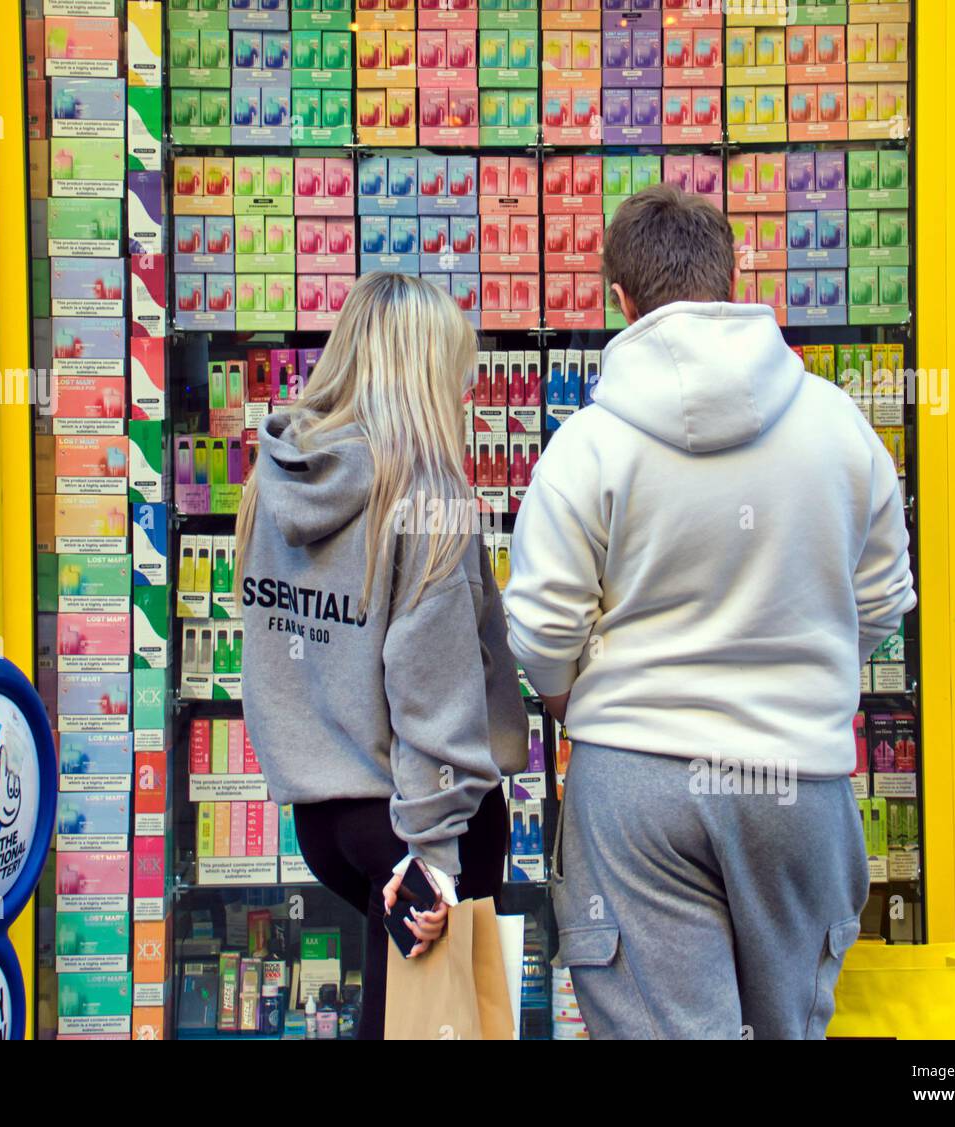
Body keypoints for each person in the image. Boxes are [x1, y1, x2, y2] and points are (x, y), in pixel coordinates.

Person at [503, 184, 916, 1040]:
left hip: (637, 784)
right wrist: (808, 673)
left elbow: (541, 627)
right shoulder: (843, 432)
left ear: (620, 299)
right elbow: (883, 600)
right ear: (738, 275)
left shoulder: (587, 445)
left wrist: (573, 698)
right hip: (796, 781)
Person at [238, 271, 528, 1040]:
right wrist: (433, 854)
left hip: (323, 815)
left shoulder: (276, 478)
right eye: (458, 374)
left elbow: (274, 653)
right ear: (427, 374)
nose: (465, 394)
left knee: (397, 1018)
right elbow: (435, 681)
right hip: (414, 821)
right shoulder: (425, 491)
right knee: (431, 1025)